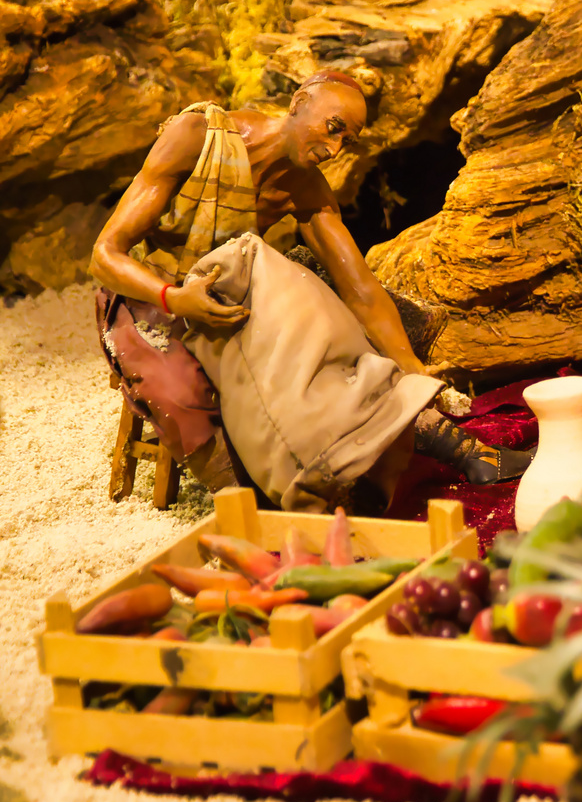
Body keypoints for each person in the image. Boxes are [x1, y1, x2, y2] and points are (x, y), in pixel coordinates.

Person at [91, 70, 529, 513]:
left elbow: (360, 289)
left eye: (347, 143)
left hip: (230, 294)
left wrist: (411, 365)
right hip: (150, 295)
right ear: (300, 102)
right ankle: (254, 510)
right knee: (183, 390)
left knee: (333, 338)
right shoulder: (198, 136)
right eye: (333, 127)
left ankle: (445, 447)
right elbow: (105, 254)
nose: (334, 149)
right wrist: (174, 298)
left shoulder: (304, 187)